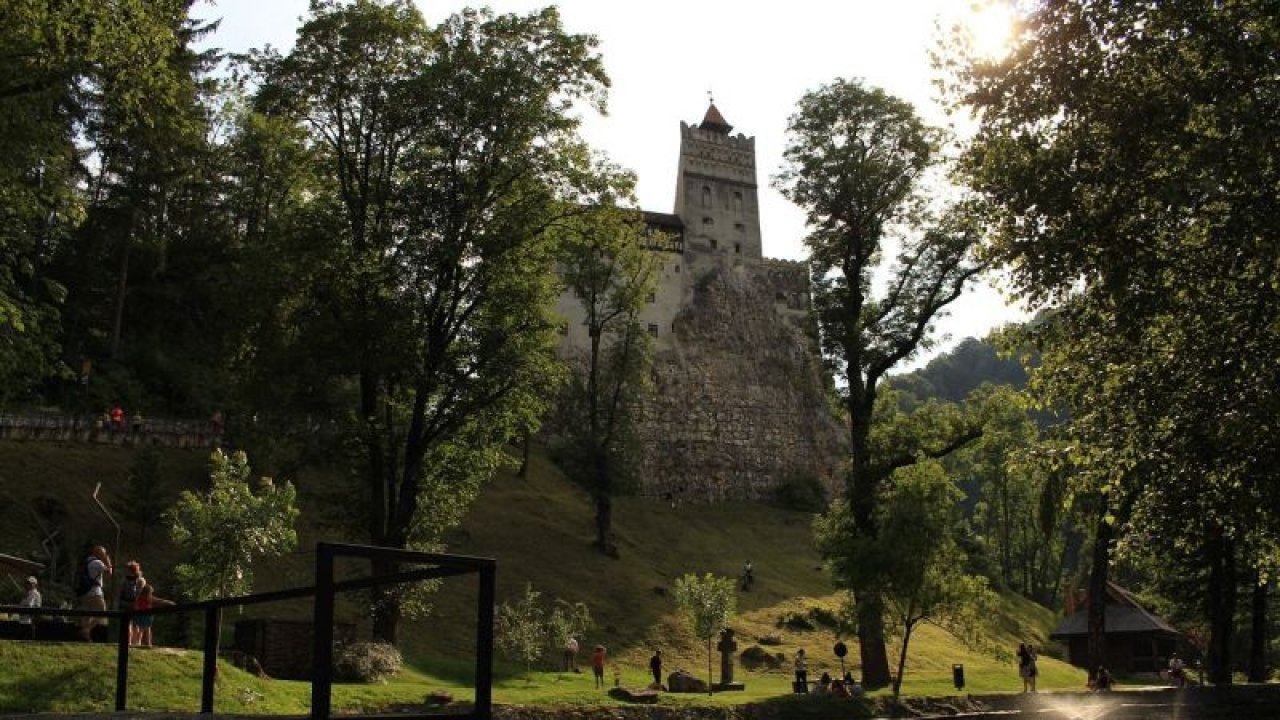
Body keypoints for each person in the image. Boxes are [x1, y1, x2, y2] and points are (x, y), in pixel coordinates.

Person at [77, 545, 112, 641]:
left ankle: (85, 637)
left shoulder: (87, 561)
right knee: (102, 612)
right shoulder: (98, 563)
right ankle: (86, 630)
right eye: (103, 554)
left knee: (87, 615)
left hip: (86, 592)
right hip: (95, 592)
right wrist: (108, 561)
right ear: (98, 553)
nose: (104, 555)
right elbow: (109, 572)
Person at [120, 561, 146, 645]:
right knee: (136, 624)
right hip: (136, 604)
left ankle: (128, 642)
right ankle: (136, 643)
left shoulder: (124, 580)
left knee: (128, 624)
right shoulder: (141, 580)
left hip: (125, 604)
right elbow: (141, 593)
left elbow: (121, 593)